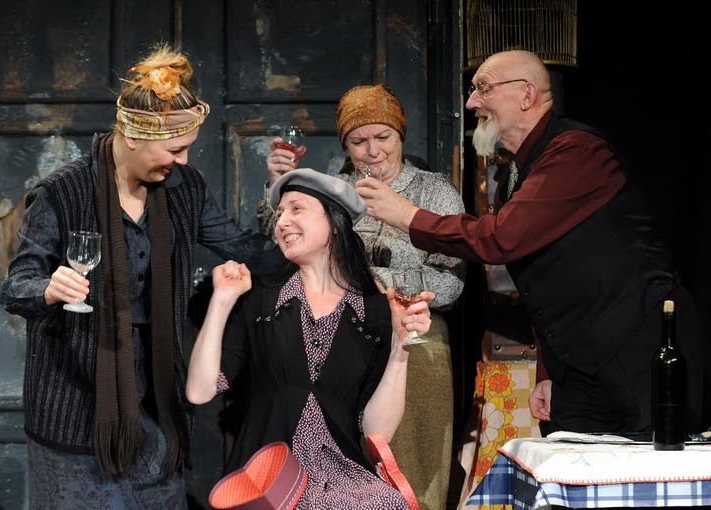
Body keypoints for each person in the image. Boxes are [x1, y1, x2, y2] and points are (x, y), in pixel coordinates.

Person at [355, 49, 706, 436]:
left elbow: (500, 239)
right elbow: (540, 284)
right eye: (472, 91)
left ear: (526, 94)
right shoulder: (513, 176)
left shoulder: (577, 151)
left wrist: (406, 215)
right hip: (578, 364)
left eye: (483, 89)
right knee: (568, 462)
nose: (471, 104)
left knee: (648, 465)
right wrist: (548, 373)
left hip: (638, 348)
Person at [0, 44, 282, 509]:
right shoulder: (63, 192)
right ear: (133, 136)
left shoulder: (183, 188)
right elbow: (16, 287)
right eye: (175, 149)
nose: (184, 160)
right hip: (75, 410)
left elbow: (245, 248)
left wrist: (324, 250)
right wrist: (48, 288)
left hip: (155, 406)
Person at [257, 84, 465, 510]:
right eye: (358, 141)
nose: (372, 151)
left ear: (400, 135)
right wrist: (276, 187)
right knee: (346, 463)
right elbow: (282, 245)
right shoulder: (332, 193)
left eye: (382, 137)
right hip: (344, 347)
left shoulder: (434, 192)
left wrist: (377, 279)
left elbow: (451, 284)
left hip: (417, 344)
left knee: (416, 468)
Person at [186, 168, 433, 509]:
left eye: (296, 209)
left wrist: (400, 349)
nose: (282, 222)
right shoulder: (261, 301)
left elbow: (377, 433)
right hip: (267, 481)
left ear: (334, 222)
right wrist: (222, 300)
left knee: (387, 502)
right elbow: (199, 391)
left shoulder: (375, 310)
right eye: (279, 214)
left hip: (343, 478)